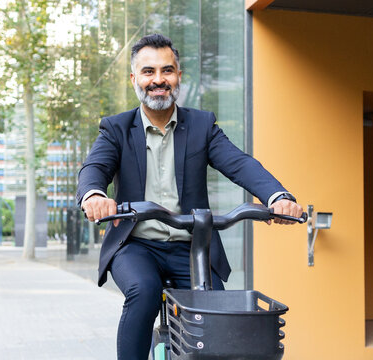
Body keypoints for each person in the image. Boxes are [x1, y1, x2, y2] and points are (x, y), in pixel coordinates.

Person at [77, 34, 303, 360]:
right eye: (148, 71)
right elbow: (94, 168)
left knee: (217, 313)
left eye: (167, 71)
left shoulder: (202, 124)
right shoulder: (116, 128)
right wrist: (94, 195)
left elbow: (239, 163)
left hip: (191, 246)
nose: (158, 80)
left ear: (178, 76)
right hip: (136, 245)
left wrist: (276, 196)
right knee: (144, 292)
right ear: (134, 79)